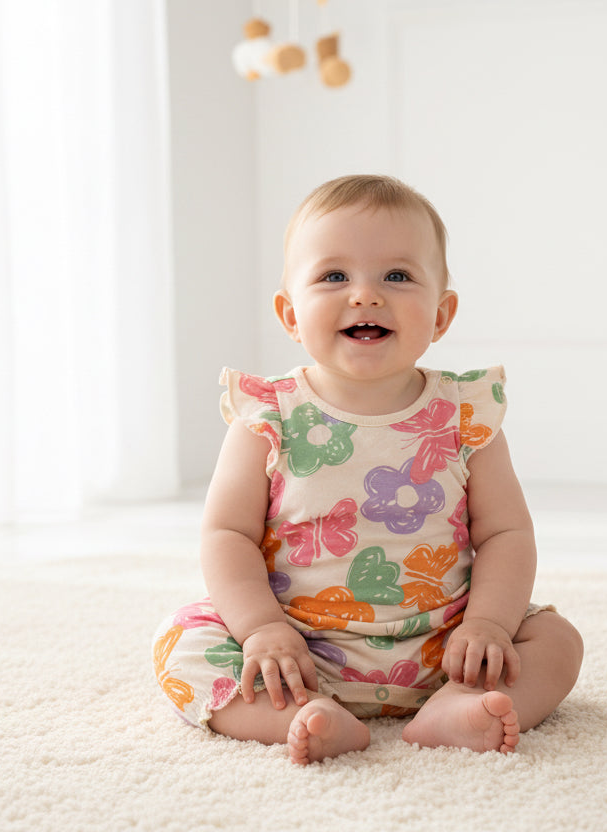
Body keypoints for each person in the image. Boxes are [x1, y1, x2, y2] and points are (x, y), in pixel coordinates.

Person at [152, 174, 583, 764]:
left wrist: (486, 625)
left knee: (555, 641)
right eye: (334, 276)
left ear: (441, 315)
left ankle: (455, 706)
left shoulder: (464, 414)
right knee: (182, 644)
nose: (365, 295)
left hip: (443, 646)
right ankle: (302, 716)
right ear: (290, 315)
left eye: (397, 276)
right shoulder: (267, 417)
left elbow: (505, 533)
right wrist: (259, 630)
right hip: (299, 648)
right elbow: (227, 534)